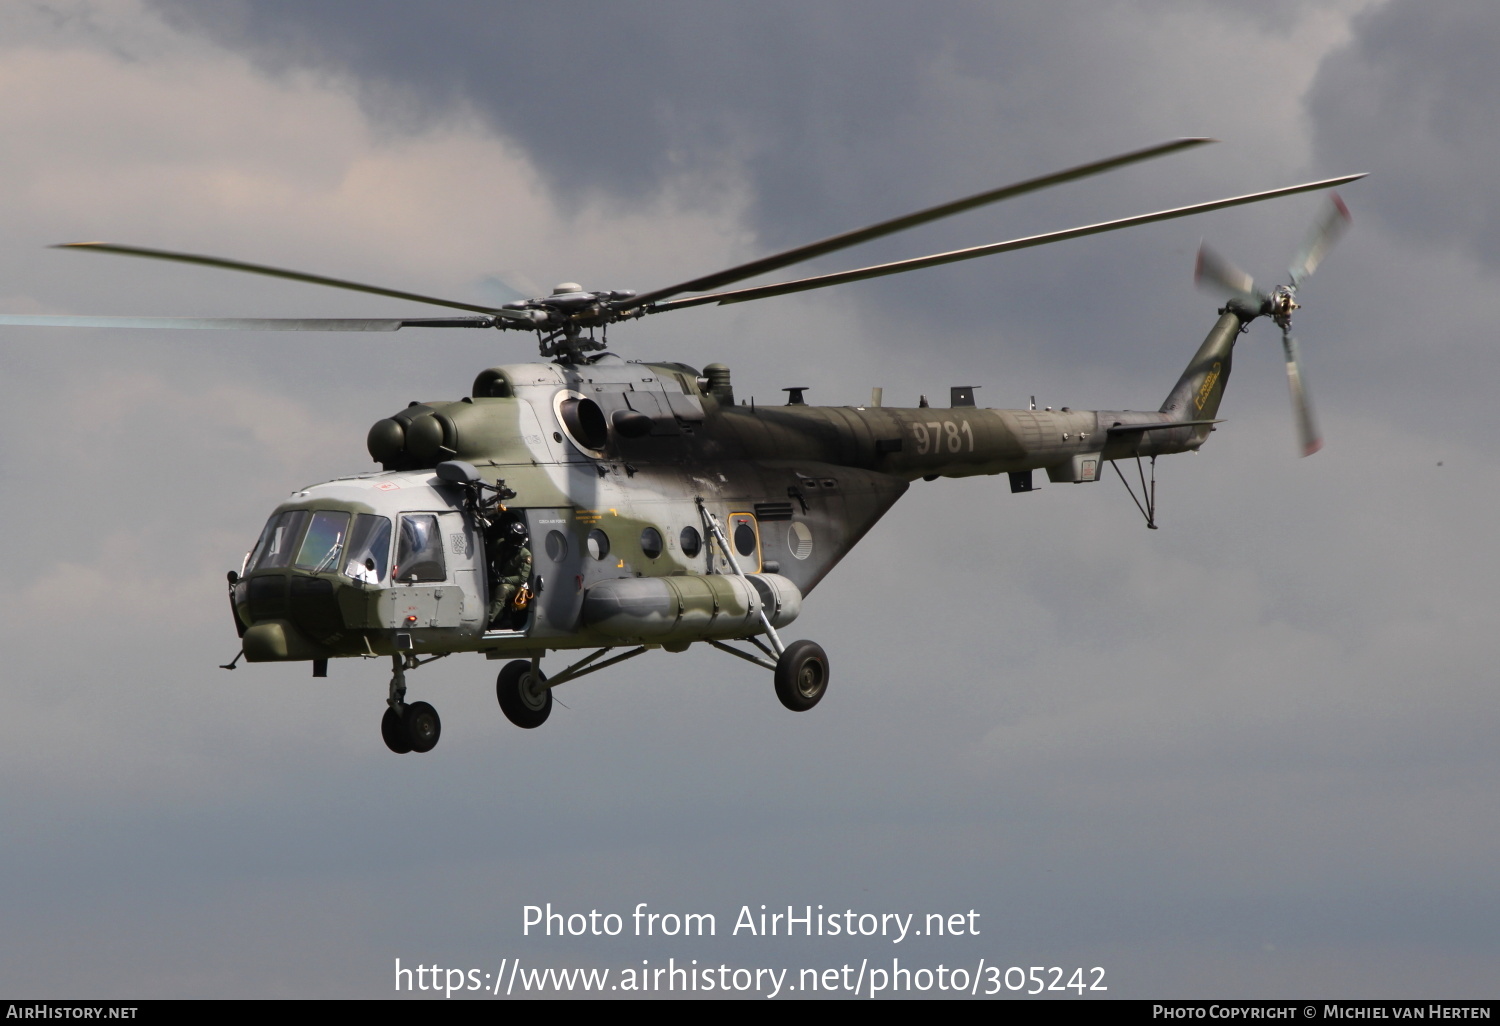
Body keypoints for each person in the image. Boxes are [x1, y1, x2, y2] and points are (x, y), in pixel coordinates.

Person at [485, 514, 532, 629]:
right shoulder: (499, 545)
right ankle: (499, 618)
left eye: (519, 539)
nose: (517, 542)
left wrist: (502, 580)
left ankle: (488, 620)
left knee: (502, 589)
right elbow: (485, 556)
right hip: (497, 577)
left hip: (514, 585)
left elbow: (521, 578)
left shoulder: (525, 555)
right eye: (515, 539)